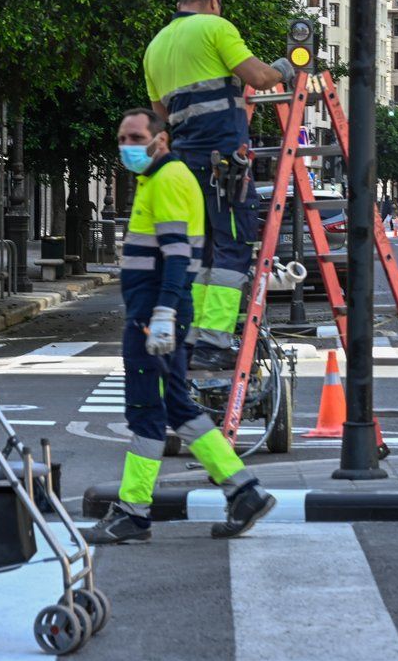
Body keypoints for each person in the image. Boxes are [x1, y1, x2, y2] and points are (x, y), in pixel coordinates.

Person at [81, 109, 275, 545]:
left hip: (154, 318)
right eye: (122, 137)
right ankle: (243, 491)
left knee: (147, 410)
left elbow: (175, 255)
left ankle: (134, 512)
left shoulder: (167, 180)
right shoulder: (164, 178)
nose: (127, 145)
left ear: (161, 140)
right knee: (177, 409)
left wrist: (164, 313)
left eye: (135, 136)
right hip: (157, 314)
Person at [144, 0, 295, 371]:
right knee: (231, 249)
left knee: (200, 253)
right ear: (213, 0)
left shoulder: (155, 47)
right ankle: (215, 341)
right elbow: (259, 78)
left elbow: (163, 115)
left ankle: (194, 338)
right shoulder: (216, 27)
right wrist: (285, 68)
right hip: (222, 163)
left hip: (185, 166)